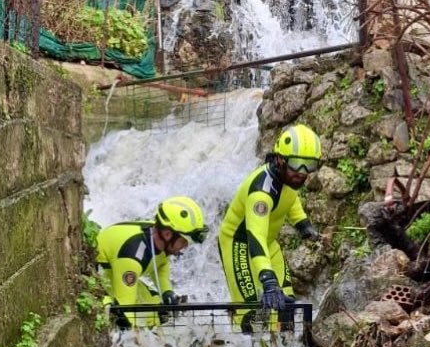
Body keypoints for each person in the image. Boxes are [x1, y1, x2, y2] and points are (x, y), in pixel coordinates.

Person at [218, 123, 323, 331]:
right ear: (280, 159)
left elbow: (290, 198)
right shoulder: (261, 193)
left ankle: (281, 346)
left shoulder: (289, 178)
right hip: (239, 244)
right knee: (250, 309)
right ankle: (241, 345)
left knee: (286, 303)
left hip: (268, 243)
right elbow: (255, 236)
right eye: (296, 164)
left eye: (309, 165)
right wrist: (267, 280)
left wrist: (302, 223)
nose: (302, 173)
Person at [96, 196, 207, 327]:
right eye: (184, 241)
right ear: (167, 234)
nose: (186, 246)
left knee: (158, 311)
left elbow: (160, 264)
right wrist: (131, 331)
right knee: (122, 316)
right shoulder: (132, 256)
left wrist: (166, 292)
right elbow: (125, 307)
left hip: (118, 269)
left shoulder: (158, 237)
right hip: (99, 275)